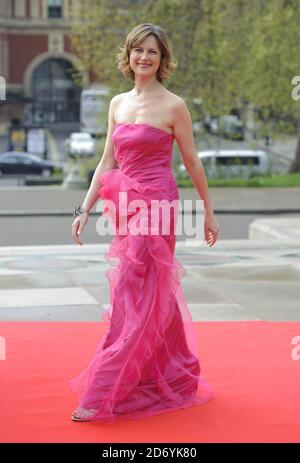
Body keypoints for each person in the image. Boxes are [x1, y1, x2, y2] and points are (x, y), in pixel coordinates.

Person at [69, 23, 220, 423]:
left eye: (153, 52)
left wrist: (208, 209)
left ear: (162, 59)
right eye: (139, 50)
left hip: (158, 206)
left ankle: (105, 390)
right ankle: (168, 374)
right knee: (141, 292)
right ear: (129, 55)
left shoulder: (174, 106)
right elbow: (106, 161)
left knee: (140, 292)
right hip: (125, 206)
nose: (145, 58)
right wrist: (83, 209)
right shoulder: (117, 103)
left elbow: (191, 160)